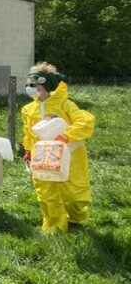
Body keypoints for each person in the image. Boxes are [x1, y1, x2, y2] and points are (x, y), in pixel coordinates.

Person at [21, 62, 95, 233]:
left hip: (70, 155)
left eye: (35, 85)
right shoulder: (28, 109)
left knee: (73, 194)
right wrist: (28, 151)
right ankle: (54, 228)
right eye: (29, 85)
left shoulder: (65, 104)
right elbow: (29, 133)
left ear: (47, 85)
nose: (31, 89)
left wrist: (66, 135)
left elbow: (85, 121)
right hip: (42, 156)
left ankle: (75, 217)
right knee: (47, 193)